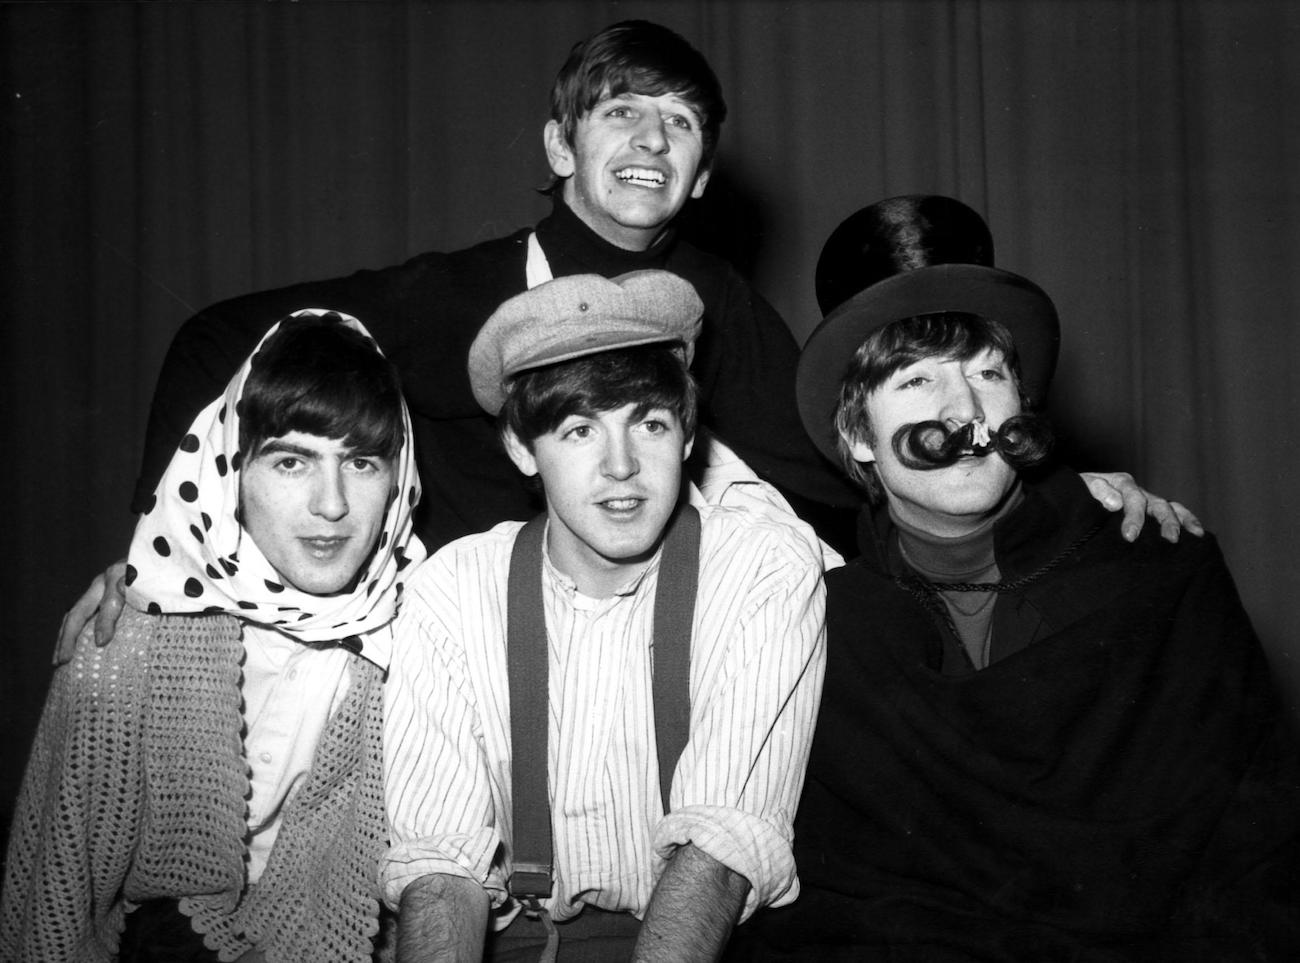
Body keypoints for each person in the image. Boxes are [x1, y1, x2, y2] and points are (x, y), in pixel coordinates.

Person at [58, 22, 1190, 657]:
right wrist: (166, 565)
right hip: (454, 670)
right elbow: (217, 338)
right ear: (561, 144)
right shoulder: (450, 293)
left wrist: (1035, 490)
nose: (651, 140)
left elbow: (842, 478)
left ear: (701, 173)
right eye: (620, 112)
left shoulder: (720, 308)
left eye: (681, 123)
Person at [728, 246, 1300, 959]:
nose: (965, 409)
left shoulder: (1162, 572)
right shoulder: (819, 624)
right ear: (857, 438)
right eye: (916, 381)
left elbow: (1259, 862)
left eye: (989, 374)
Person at [382, 270, 826, 962]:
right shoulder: (452, 587)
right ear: (522, 448)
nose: (622, 465)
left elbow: (719, 847)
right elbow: (440, 869)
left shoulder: (762, 567)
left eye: (649, 423)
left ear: (686, 435)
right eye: (579, 429)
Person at [1, 311, 426, 962]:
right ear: (231, 471)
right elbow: (51, 906)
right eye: (292, 460)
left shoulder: (429, 640)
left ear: (398, 481)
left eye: (362, 462)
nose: (332, 503)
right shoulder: (127, 641)